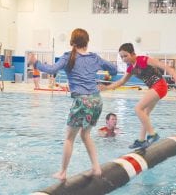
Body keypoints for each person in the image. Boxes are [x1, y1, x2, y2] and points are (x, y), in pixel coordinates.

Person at [32, 28, 117, 181]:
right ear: (87, 42)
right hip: (97, 100)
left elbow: (51, 70)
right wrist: (106, 74)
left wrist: (36, 62)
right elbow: (114, 69)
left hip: (82, 101)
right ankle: (96, 168)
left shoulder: (67, 57)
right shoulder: (94, 58)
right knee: (85, 135)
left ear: (73, 42)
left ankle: (63, 172)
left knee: (69, 138)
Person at [99, 43, 176, 150]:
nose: (124, 59)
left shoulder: (142, 60)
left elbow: (160, 65)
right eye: (122, 57)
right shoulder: (130, 69)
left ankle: (153, 135)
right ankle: (142, 141)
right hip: (155, 87)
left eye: (125, 56)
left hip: (160, 85)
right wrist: (107, 88)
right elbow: (121, 81)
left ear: (133, 54)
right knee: (145, 114)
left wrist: (173, 72)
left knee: (138, 108)